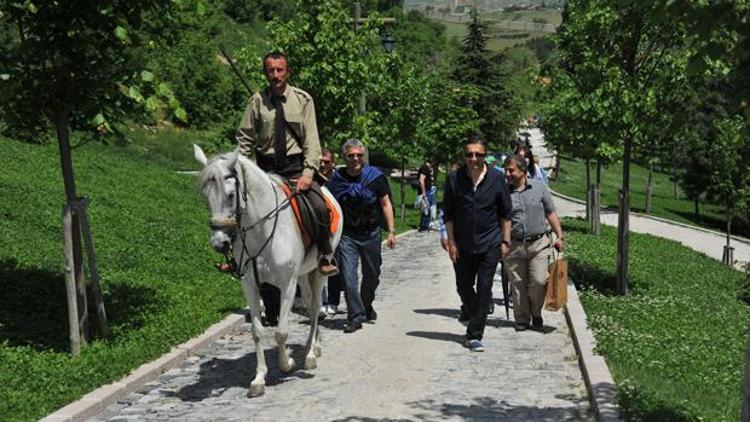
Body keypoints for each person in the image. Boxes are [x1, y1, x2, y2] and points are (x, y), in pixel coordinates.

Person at [235, 52, 337, 326]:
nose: (276, 75)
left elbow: (312, 141)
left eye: (280, 70)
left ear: (287, 72)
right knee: (241, 211)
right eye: (271, 70)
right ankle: (237, 259)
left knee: (318, 205)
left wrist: (308, 173)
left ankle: (325, 254)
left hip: (295, 169)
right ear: (266, 72)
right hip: (266, 171)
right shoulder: (256, 101)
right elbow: (245, 137)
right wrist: (244, 169)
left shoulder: (303, 100)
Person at [443, 136, 512, 352]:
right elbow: (449, 214)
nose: (474, 158)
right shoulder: (454, 179)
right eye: (469, 154)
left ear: (485, 156)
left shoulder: (497, 178)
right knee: (463, 287)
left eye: (478, 154)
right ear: (464, 156)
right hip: (463, 244)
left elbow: (505, 213)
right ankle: (477, 314)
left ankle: (474, 334)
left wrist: (506, 240)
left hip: (490, 242)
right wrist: (451, 241)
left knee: (484, 287)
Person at [327, 138, 397, 333]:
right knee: (348, 277)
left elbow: (385, 203)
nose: (355, 159)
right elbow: (329, 205)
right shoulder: (337, 179)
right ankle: (355, 316)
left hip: (371, 233)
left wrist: (391, 230)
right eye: (351, 156)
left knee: (372, 275)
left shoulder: (375, 177)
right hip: (347, 234)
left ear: (363, 156)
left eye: (359, 155)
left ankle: (366, 305)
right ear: (345, 157)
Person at [502, 155, 564, 332]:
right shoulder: (503, 192)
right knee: (517, 284)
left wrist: (559, 235)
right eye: (506, 170)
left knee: (539, 281)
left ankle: (535, 312)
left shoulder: (539, 188)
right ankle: (522, 319)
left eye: (511, 170)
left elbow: (550, 212)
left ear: (522, 170)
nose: (507, 173)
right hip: (514, 246)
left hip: (538, 244)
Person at [319, 148, 344, 315]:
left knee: (335, 262)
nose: (322, 164)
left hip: (337, 226)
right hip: (319, 227)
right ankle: (321, 301)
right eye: (320, 160)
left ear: (333, 163)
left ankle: (333, 301)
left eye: (326, 161)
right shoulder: (313, 178)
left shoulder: (337, 180)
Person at [417, 158, 436, 232]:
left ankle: (426, 225)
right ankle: (424, 226)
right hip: (426, 191)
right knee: (426, 209)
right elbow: (421, 180)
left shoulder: (428, 168)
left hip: (430, 190)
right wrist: (424, 192)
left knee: (428, 209)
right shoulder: (424, 168)